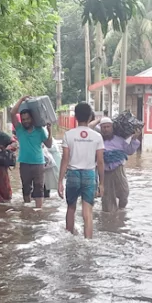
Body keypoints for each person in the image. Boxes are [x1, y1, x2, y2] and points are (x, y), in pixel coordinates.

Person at [58, 102, 104, 238]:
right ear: (90, 116)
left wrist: (60, 181)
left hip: (72, 174)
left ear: (76, 117)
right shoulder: (97, 136)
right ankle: (88, 241)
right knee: (87, 212)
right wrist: (102, 183)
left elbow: (65, 159)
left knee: (71, 208)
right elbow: (100, 161)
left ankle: (69, 237)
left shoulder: (69, 135)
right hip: (89, 174)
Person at [9, 95, 52, 208]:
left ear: (32, 119)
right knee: (26, 187)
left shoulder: (39, 130)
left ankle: (38, 210)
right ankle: (27, 209)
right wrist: (21, 99)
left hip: (38, 163)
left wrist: (50, 132)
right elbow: (13, 113)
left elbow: (49, 144)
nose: (25, 121)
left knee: (39, 187)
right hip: (24, 163)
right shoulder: (19, 129)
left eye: (27, 119)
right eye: (23, 119)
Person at [97, 117, 142, 212]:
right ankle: (109, 220)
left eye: (108, 127)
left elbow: (129, 151)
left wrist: (134, 138)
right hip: (105, 172)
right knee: (107, 200)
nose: (106, 129)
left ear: (112, 127)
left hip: (118, 170)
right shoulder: (97, 140)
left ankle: (121, 212)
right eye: (103, 127)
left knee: (124, 192)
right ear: (100, 128)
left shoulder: (120, 140)